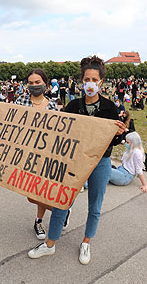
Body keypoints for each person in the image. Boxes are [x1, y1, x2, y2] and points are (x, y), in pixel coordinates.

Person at [28, 55, 126, 264]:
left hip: (100, 163)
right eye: (87, 79)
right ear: (82, 81)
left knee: (95, 206)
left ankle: (86, 243)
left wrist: (119, 133)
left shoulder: (110, 108)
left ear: (100, 82)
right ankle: (50, 244)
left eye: (94, 80)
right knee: (61, 200)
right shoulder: (72, 106)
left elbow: (115, 141)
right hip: (75, 163)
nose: (90, 84)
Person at [15, 68, 58, 240]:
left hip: (46, 155)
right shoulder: (20, 101)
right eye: (31, 83)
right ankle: (59, 211)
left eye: (37, 82)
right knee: (31, 195)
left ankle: (38, 221)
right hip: (26, 154)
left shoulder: (53, 105)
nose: (34, 86)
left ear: (45, 85)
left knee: (42, 192)